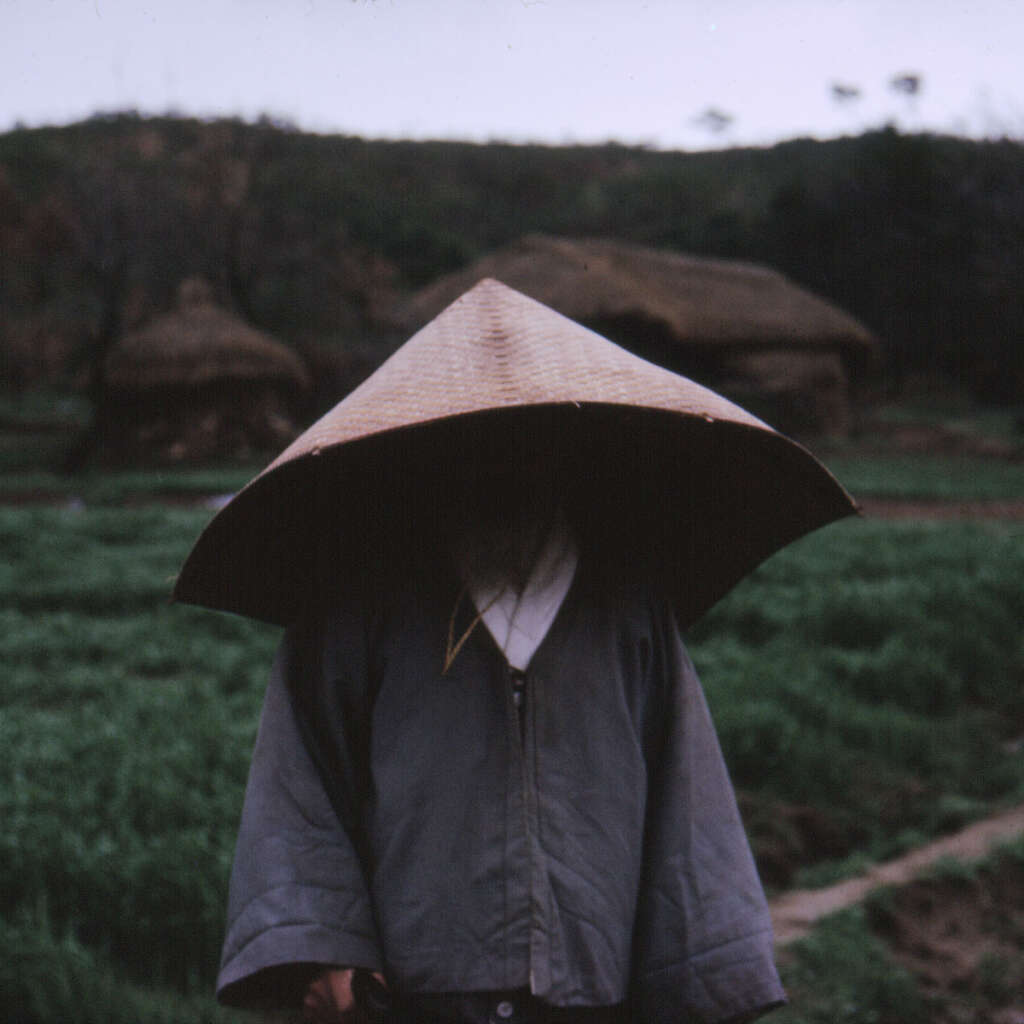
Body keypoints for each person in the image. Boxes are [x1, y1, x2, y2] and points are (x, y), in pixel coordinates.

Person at [176, 280, 854, 1023]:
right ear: (435, 449)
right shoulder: (358, 602)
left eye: (529, 439)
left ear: (567, 449)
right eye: (479, 441)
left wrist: (705, 969)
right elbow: (299, 783)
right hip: (409, 993)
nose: (507, 462)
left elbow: (686, 801)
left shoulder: (626, 608)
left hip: (595, 988)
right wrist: (323, 945)